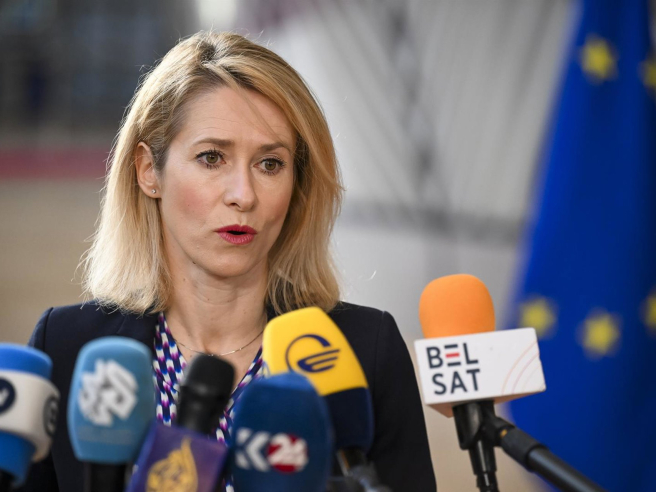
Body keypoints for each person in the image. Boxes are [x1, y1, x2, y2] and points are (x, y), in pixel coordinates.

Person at [20, 31, 436, 492]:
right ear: (148, 171)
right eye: (212, 157)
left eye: (270, 164)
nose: (243, 195)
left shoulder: (367, 352)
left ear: (297, 185)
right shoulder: (66, 347)